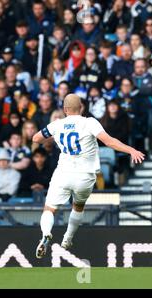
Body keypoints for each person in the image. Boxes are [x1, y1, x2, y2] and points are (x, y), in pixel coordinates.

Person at [32, 94, 145, 259]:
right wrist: (131, 150)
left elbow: (36, 138)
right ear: (82, 108)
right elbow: (109, 142)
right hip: (85, 175)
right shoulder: (89, 122)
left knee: (49, 209)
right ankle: (67, 238)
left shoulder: (57, 124)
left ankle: (46, 233)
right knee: (78, 206)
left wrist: (50, 139)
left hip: (63, 173)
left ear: (65, 110)